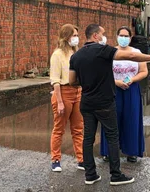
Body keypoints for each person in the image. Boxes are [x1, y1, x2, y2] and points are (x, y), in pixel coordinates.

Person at [69, 24, 150, 186]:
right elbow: (130, 57)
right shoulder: (103, 51)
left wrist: (88, 83)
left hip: (87, 102)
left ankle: (90, 175)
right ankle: (116, 175)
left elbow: (72, 81)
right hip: (104, 101)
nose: (104, 37)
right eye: (102, 34)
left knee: (88, 138)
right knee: (113, 135)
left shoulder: (76, 56)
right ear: (95, 36)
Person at [100, 26, 148, 163]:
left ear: (130, 38)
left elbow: (143, 71)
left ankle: (131, 151)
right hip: (112, 89)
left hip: (131, 89)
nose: (123, 38)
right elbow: (103, 73)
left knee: (131, 119)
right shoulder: (110, 52)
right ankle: (108, 151)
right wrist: (116, 82)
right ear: (116, 36)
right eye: (121, 35)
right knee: (110, 120)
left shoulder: (136, 52)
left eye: (126, 36)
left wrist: (131, 79)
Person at [49, 24, 84, 172]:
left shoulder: (76, 53)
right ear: (66, 36)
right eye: (73, 35)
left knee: (78, 128)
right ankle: (55, 159)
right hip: (63, 92)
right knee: (59, 129)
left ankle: (81, 159)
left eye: (77, 35)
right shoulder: (57, 54)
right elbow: (55, 80)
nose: (76, 38)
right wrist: (60, 102)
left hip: (77, 91)